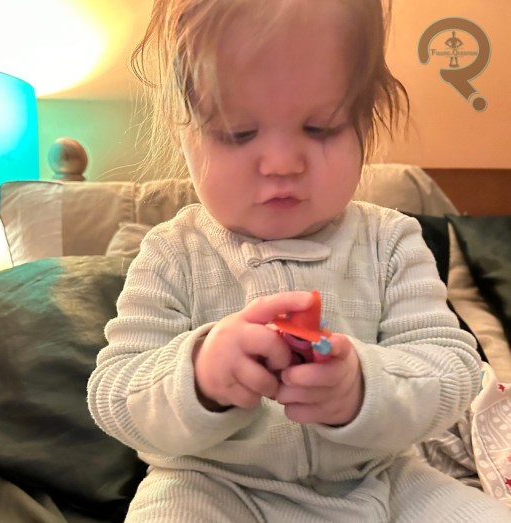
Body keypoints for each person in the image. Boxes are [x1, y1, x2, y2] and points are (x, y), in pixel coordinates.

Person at [87, 0, 510, 521]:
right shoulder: (172, 252)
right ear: (184, 134)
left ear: (365, 122)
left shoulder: (392, 240)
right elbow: (114, 396)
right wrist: (199, 376)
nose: (283, 163)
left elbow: (452, 373)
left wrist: (364, 386)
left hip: (381, 478)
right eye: (239, 133)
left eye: (321, 127)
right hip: (212, 485)